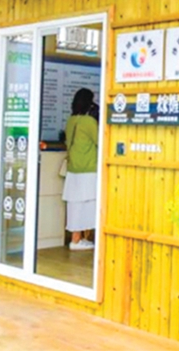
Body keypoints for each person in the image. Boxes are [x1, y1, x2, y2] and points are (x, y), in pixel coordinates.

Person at [62, 88, 99, 251]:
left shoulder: (71, 120)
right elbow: (100, 141)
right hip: (88, 167)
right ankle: (79, 240)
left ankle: (75, 238)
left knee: (75, 204)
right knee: (89, 204)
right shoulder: (89, 122)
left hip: (73, 168)